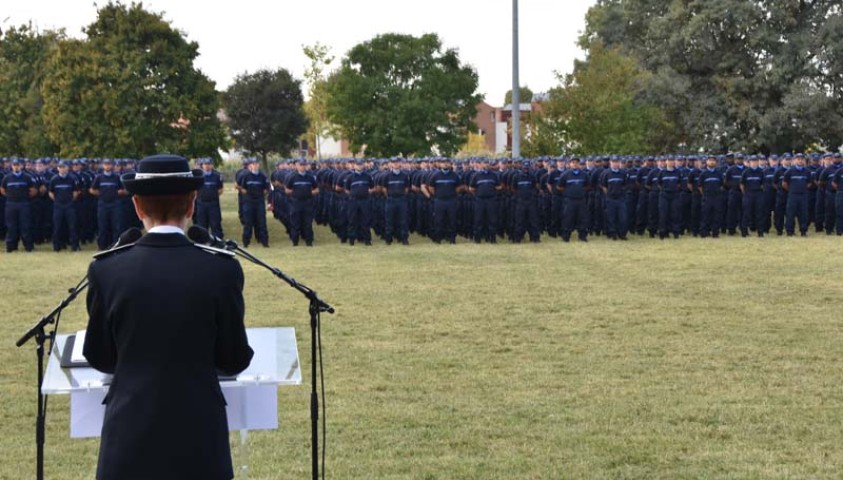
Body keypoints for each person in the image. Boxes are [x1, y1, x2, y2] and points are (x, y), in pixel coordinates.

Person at [83, 154, 253, 480]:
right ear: (191, 204)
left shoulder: (107, 269)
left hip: (129, 433)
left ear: (137, 206)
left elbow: (100, 356)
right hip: (199, 434)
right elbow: (233, 358)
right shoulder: (221, 269)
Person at [89, 159, 127, 250]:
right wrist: (101, 194)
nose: (107, 166)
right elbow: (92, 190)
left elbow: (124, 190)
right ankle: (102, 246)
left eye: (109, 164)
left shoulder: (117, 177)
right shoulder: (99, 177)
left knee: (116, 226)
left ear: (112, 165)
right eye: (105, 164)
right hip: (103, 204)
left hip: (115, 204)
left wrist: (117, 193)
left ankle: (116, 246)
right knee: (102, 226)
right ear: (103, 166)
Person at [0, 158, 37, 252]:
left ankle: (28, 246)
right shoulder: (7, 178)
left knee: (25, 225)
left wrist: (25, 197)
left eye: (18, 165)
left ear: (21, 166)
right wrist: (11, 196)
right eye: (14, 165)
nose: (16, 167)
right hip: (11, 204)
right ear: (12, 166)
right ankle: (11, 247)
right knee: (11, 226)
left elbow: (33, 190)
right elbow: (2, 190)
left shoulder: (27, 177)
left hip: (24, 204)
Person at [284, 159, 319, 246]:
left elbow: (317, 189)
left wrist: (309, 193)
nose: (303, 166)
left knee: (308, 223)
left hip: (308, 202)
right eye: (301, 165)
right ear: (297, 166)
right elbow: (287, 190)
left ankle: (309, 241)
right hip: (296, 203)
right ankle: (295, 241)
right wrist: (296, 192)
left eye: (304, 165)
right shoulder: (293, 177)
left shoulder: (310, 177)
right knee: (295, 223)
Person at [236, 159, 270, 247]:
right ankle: (246, 242)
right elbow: (241, 187)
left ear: (259, 165)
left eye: (256, 164)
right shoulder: (246, 176)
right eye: (253, 164)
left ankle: (264, 242)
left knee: (262, 222)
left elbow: (266, 188)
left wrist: (262, 194)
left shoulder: (262, 176)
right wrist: (246, 193)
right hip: (249, 202)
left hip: (259, 202)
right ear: (250, 166)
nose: (255, 166)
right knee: (248, 222)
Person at [48, 160, 81, 251]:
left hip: (69, 205)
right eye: (60, 167)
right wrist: (56, 200)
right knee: (57, 226)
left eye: (64, 167)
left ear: (67, 168)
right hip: (58, 206)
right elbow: (50, 192)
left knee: (72, 226)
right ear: (58, 168)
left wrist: (70, 200)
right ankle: (56, 246)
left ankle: (74, 246)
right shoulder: (54, 179)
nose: (62, 169)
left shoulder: (72, 179)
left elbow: (75, 191)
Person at [195, 158, 225, 239]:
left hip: (213, 204)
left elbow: (220, 189)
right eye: (205, 164)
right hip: (201, 204)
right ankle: (203, 242)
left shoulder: (217, 175)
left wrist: (212, 196)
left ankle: (217, 241)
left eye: (209, 164)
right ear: (202, 165)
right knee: (202, 224)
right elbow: (195, 189)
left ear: (212, 165)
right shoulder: (198, 176)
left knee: (215, 224)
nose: (207, 166)